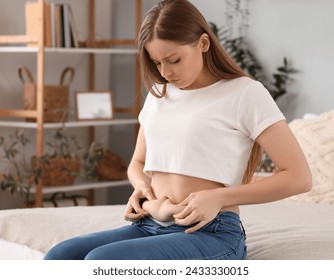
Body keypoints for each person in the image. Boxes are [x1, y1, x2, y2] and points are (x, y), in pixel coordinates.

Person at [44, 0, 312, 260]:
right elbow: (138, 163)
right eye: (157, 63)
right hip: (149, 224)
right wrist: (141, 188)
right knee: (61, 256)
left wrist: (219, 197)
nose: (166, 72)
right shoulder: (159, 94)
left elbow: (299, 177)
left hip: (210, 231)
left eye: (174, 60)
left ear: (203, 43)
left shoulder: (244, 93)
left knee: (102, 261)